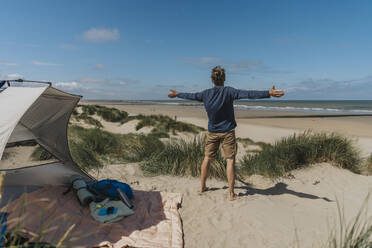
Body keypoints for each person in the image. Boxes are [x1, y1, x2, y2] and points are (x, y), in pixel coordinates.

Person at [168, 66, 284, 200]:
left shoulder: (206, 94)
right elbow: (249, 94)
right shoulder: (229, 91)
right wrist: (268, 93)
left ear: (212, 79)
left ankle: (202, 187)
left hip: (212, 132)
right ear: (224, 78)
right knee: (230, 161)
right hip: (228, 132)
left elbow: (191, 96)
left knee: (207, 158)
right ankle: (231, 193)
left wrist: (177, 94)